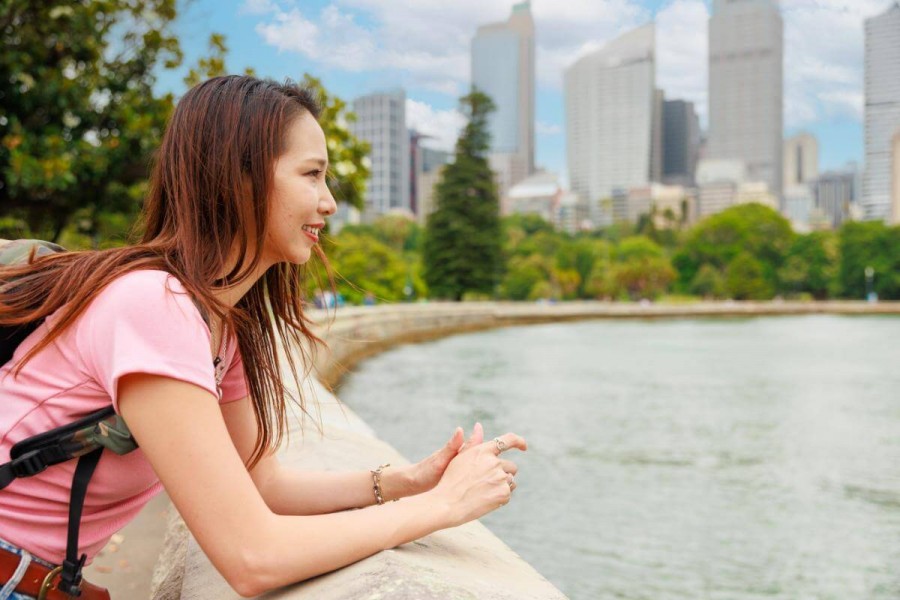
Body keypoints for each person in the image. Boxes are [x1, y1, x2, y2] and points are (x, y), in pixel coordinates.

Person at [0, 75, 526, 599]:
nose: (329, 203)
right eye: (312, 175)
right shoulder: (153, 304)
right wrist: (441, 508)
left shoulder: (220, 325)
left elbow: (263, 485)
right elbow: (253, 558)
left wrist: (406, 482)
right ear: (240, 178)